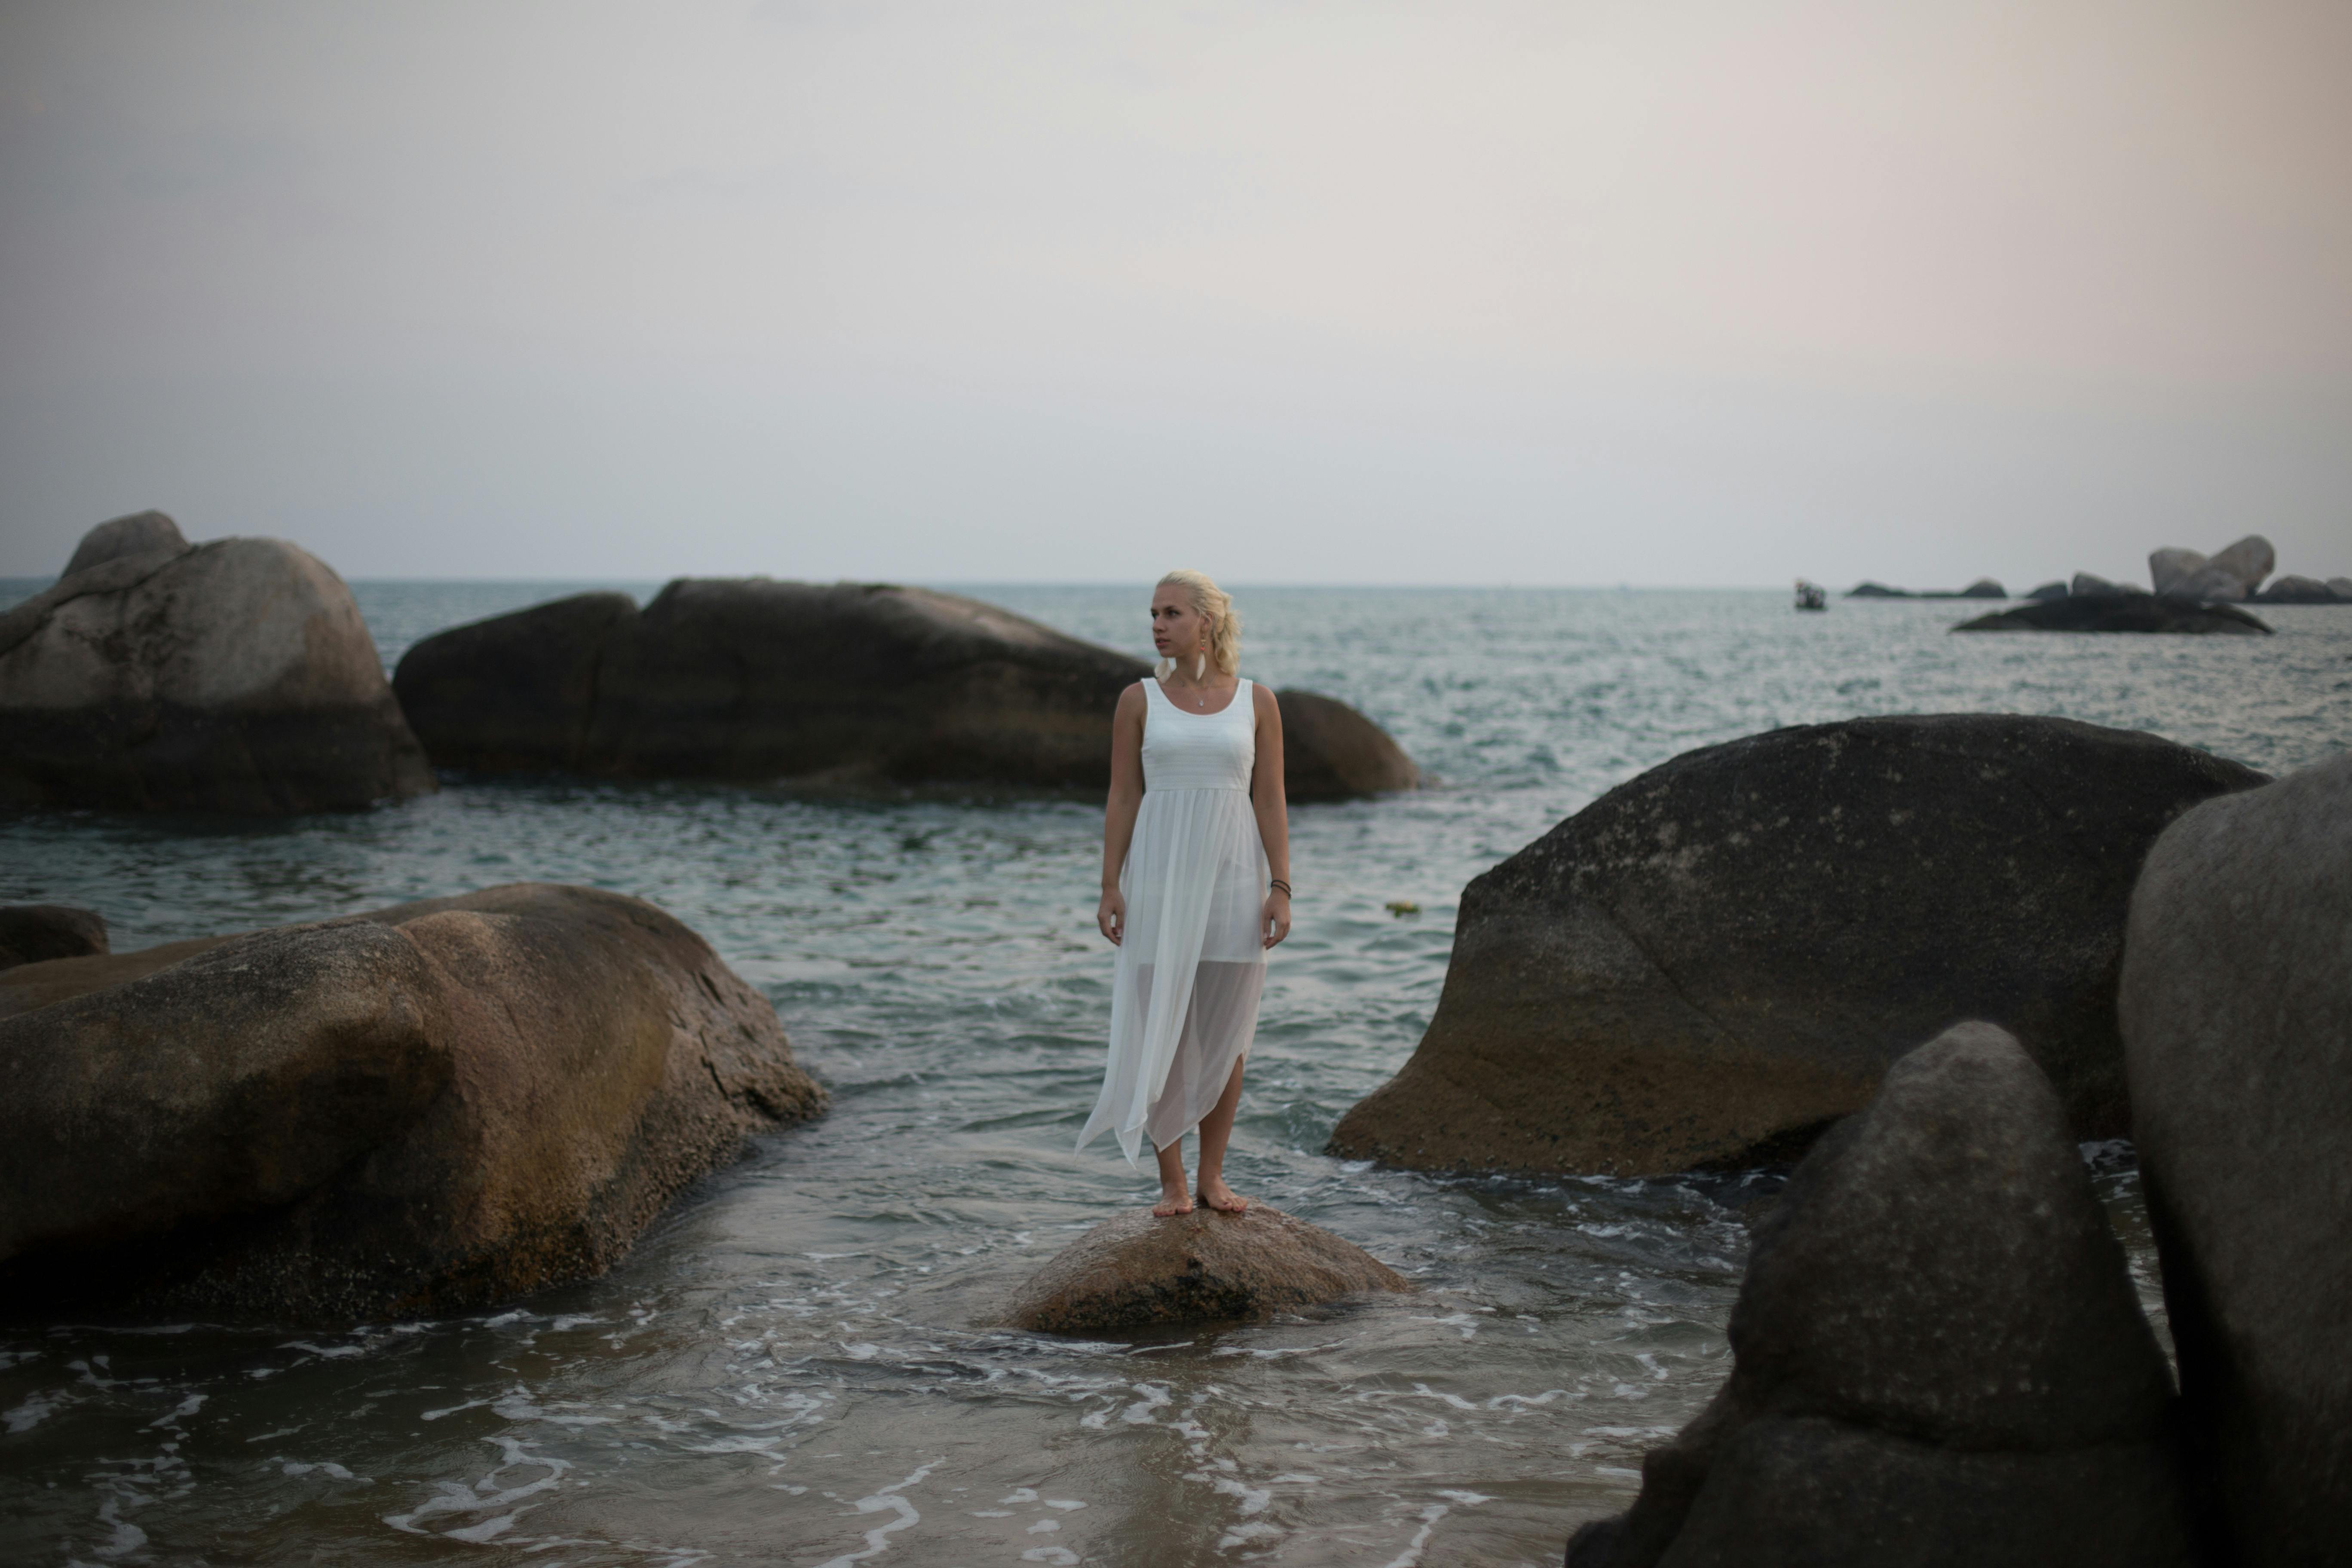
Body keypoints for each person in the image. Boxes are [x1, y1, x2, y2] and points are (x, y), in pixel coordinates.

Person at [1077, 570, 1291, 1217]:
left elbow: (1271, 797)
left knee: (1228, 1035)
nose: (1158, 625)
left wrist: (1281, 885)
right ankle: (1172, 1183)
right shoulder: (1138, 700)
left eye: (1171, 613)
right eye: (1153, 613)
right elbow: (1123, 796)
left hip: (1234, 878)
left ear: (1207, 621)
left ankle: (1212, 1177)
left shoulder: (1258, 701)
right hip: (1159, 878)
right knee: (1160, 1026)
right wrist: (1110, 883)